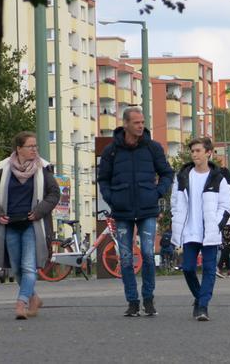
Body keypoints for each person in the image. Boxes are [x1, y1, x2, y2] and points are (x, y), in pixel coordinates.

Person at [97, 106, 174, 317]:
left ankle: (148, 299)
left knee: (148, 254)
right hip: (122, 211)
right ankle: (132, 301)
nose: (141, 126)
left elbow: (167, 173)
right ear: (126, 125)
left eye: (143, 122)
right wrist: (111, 198)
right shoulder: (111, 151)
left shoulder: (152, 148)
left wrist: (156, 192)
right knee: (126, 258)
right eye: (137, 122)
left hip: (147, 209)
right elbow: (103, 179)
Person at [0, 131, 60, 319]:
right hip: (10, 224)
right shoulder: (2, 168)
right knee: (16, 269)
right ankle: (34, 298)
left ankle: (20, 302)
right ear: (19, 149)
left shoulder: (43, 168)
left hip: (33, 225)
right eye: (30, 146)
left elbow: (54, 194)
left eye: (35, 146)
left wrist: (39, 211)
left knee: (28, 267)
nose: (34, 150)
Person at [170, 137, 230, 321]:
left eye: (198, 151)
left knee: (208, 269)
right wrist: (176, 220)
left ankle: (203, 307)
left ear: (208, 153)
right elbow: (175, 202)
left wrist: (216, 225)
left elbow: (225, 205)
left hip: (209, 232)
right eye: (192, 151)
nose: (194, 154)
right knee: (188, 268)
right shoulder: (182, 176)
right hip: (189, 231)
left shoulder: (217, 178)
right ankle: (200, 297)